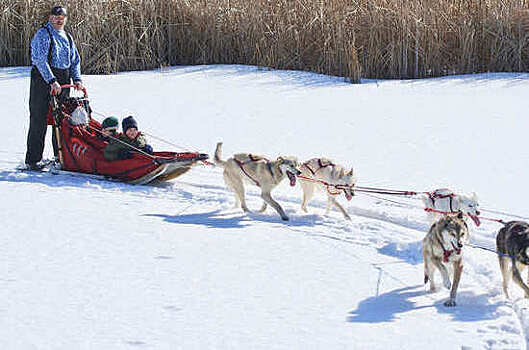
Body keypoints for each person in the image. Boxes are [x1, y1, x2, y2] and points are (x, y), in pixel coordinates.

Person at [25, 5, 84, 170]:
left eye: (62, 17)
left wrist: (77, 79)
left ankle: (60, 157)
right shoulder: (43, 34)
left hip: (63, 79)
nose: (59, 19)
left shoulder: (68, 37)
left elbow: (75, 61)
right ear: (50, 18)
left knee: (61, 120)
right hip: (43, 80)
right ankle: (33, 160)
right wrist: (51, 80)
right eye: (56, 16)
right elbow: (39, 59)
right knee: (39, 119)